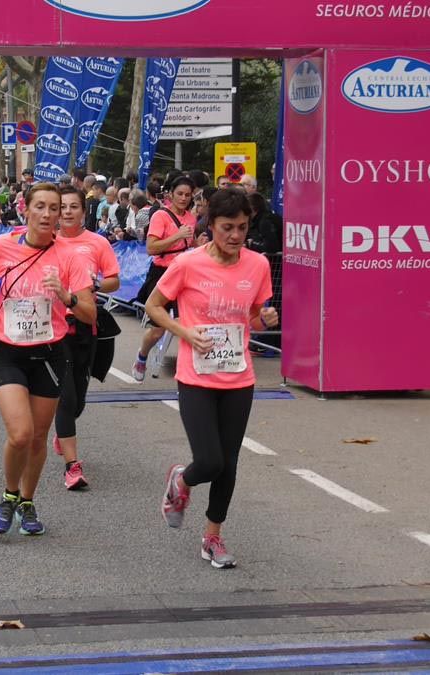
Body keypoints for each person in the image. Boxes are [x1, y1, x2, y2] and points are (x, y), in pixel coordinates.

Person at [148, 188, 278, 569]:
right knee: (208, 461)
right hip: (196, 376)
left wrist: (265, 319)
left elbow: (253, 318)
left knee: (229, 463)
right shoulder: (188, 263)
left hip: (238, 377)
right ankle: (181, 481)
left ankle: (212, 537)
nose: (236, 236)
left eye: (242, 227)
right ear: (211, 225)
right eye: (227, 228)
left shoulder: (258, 265)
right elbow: (154, 306)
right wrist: (184, 333)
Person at [0, 182, 95, 536]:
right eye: (41, 207)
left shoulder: (70, 257)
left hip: (50, 354)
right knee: (20, 434)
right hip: (8, 351)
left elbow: (90, 313)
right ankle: (9, 495)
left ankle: (27, 502)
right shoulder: (0, 246)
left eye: (54, 208)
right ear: (26, 209)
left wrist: (65, 295)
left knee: (38, 437)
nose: (48, 214)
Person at [53, 185, 121, 491]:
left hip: (86, 323)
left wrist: (95, 285)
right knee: (65, 397)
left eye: (73, 207)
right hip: (54, 326)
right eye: (62, 207)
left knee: (78, 400)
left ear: (83, 211)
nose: (67, 212)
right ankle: (72, 466)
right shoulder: (47, 241)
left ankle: (63, 429)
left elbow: (114, 280)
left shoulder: (97, 242)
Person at [132, 176, 198, 381]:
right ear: (170, 194)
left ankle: (190, 373)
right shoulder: (160, 215)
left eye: (188, 195)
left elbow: (189, 244)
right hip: (162, 273)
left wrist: (198, 244)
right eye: (180, 194)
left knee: (186, 324)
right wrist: (177, 235)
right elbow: (151, 248)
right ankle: (142, 356)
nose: (184, 198)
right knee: (157, 331)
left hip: (184, 274)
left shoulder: (191, 218)